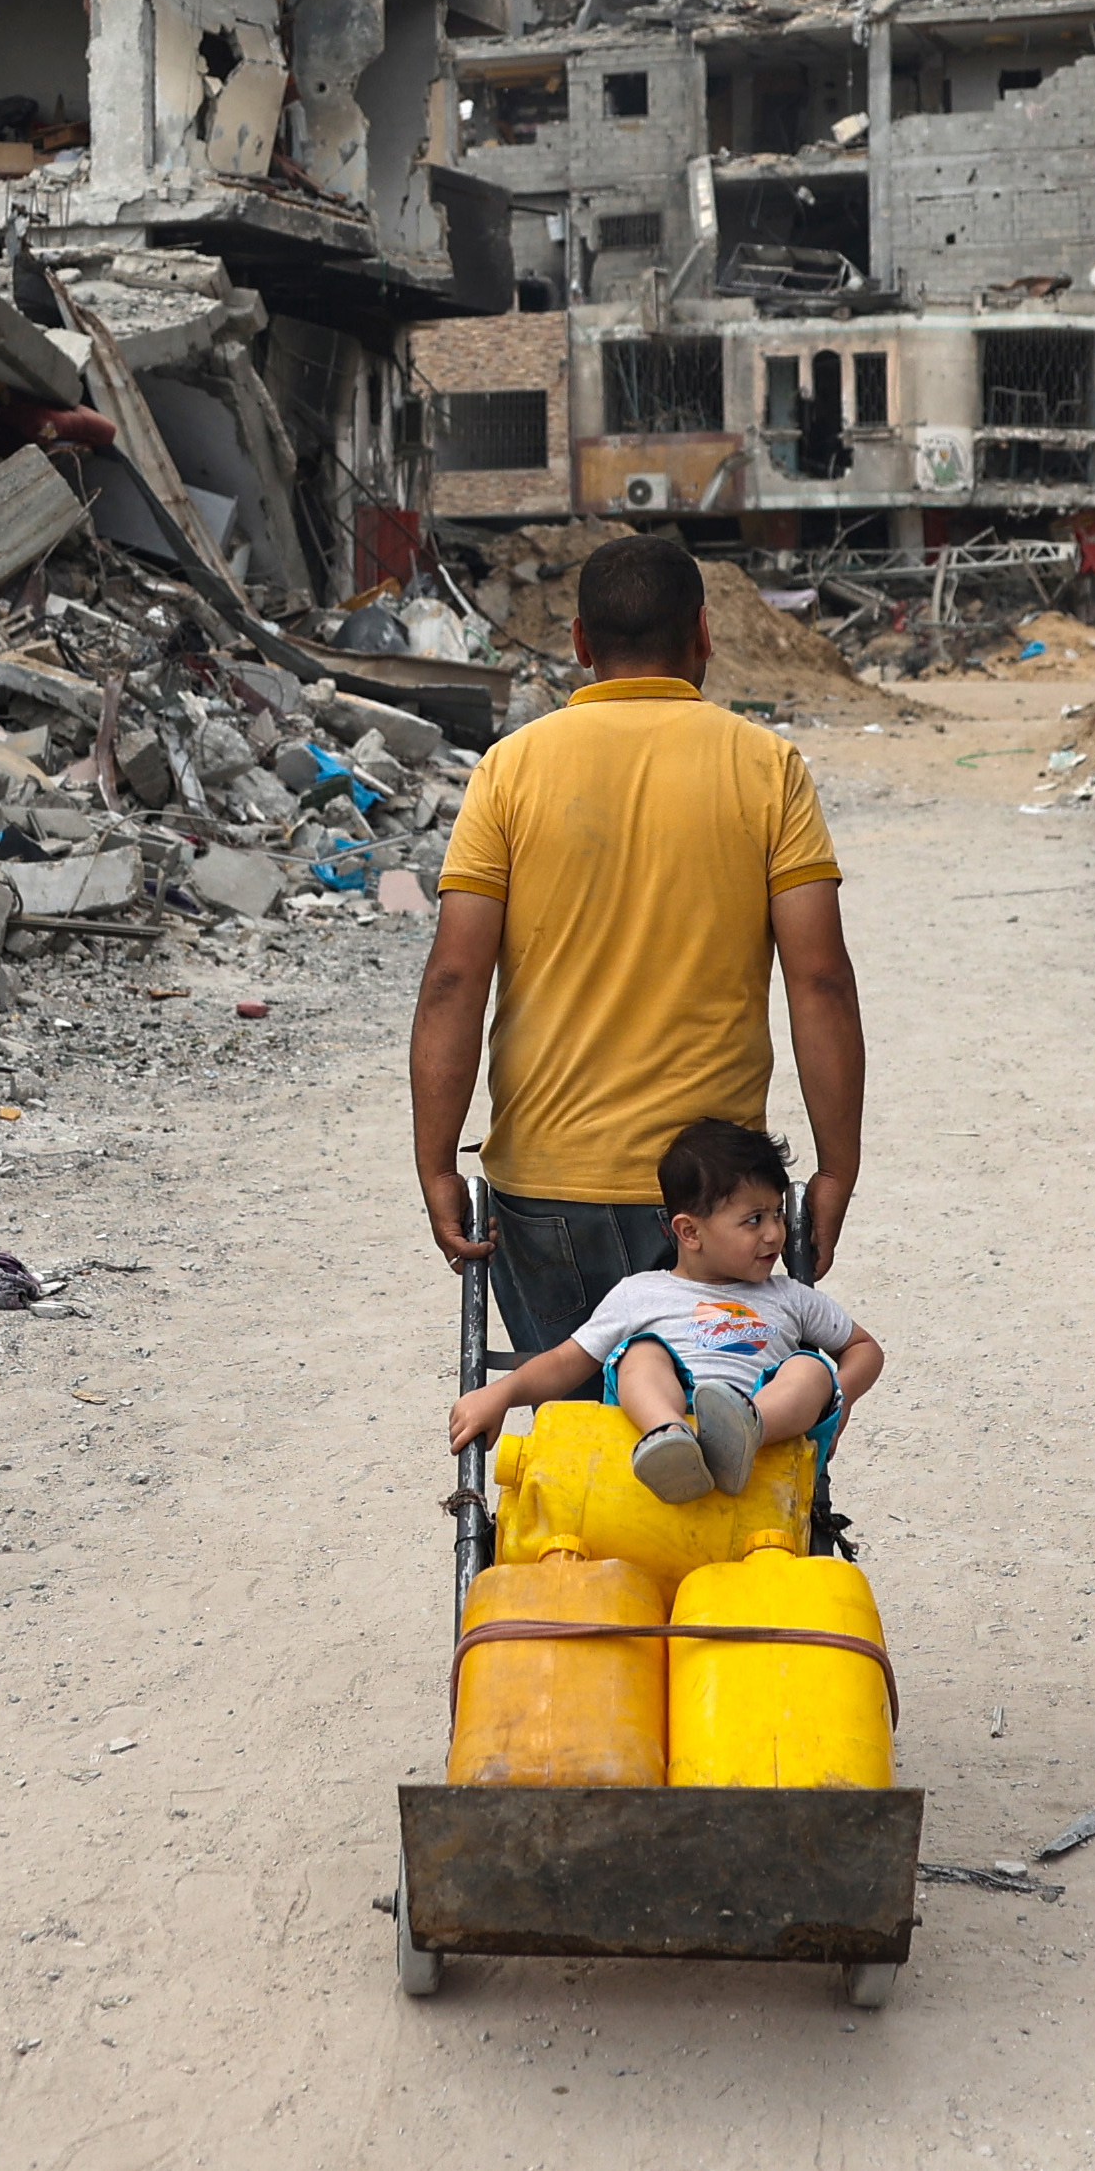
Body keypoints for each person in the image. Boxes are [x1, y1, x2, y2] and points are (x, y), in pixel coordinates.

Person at [407, 531, 868, 1361]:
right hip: (713, 1190)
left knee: (580, 1435)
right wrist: (834, 1170)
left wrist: (437, 1162)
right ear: (702, 634)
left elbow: (452, 980)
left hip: (544, 1185)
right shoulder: (766, 767)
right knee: (724, 1430)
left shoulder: (508, 771)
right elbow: (821, 980)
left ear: (580, 642)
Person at [445, 1119, 881, 1499]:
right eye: (754, 1220)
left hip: (763, 1423)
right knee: (642, 1353)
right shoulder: (642, 1294)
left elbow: (864, 1348)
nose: (774, 1235)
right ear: (689, 1232)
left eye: (778, 1215)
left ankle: (743, 1434)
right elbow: (565, 1361)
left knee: (810, 1370)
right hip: (662, 1417)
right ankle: (669, 1436)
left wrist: (837, 1399)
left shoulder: (788, 1296)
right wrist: (499, 1394)